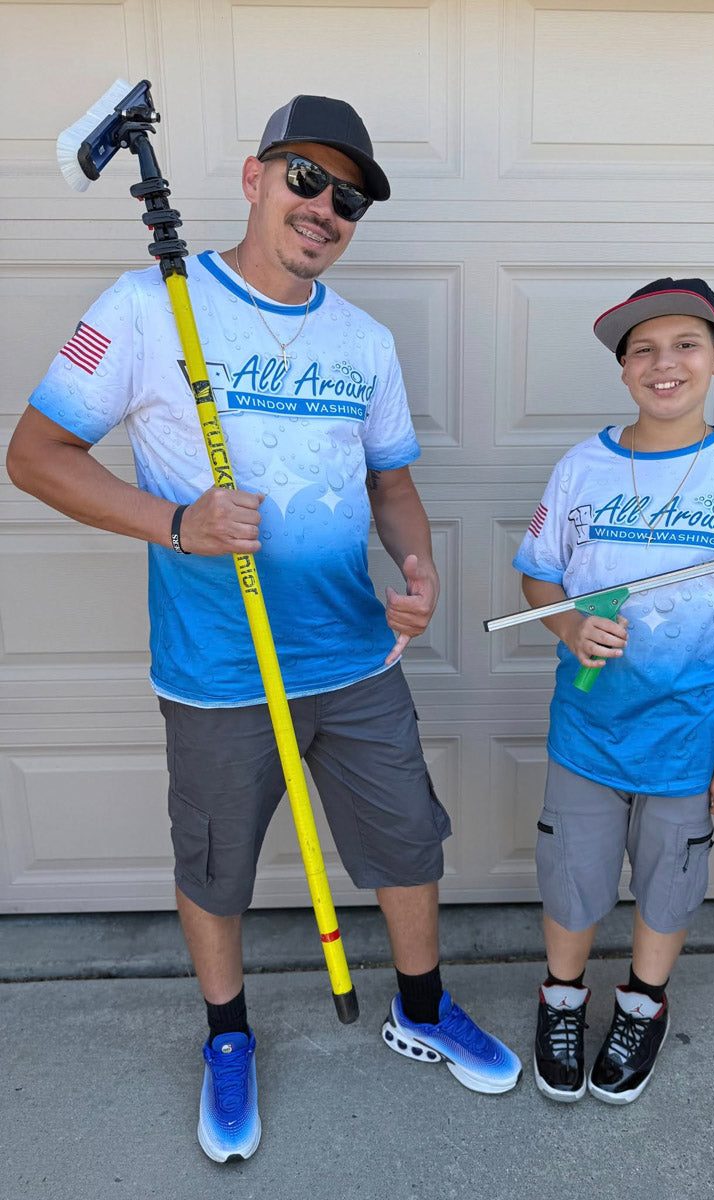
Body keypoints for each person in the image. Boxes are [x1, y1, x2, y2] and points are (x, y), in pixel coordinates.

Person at [7, 94, 520, 1163]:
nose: (325, 207)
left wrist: (417, 568)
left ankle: (420, 1007)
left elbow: (393, 486)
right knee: (216, 866)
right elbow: (36, 454)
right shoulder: (151, 308)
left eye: (348, 197)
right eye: (305, 178)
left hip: (351, 656)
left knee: (407, 843)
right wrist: (178, 523)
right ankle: (227, 1037)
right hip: (219, 667)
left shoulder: (364, 341)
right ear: (253, 176)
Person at [513, 278, 714, 1105]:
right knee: (573, 871)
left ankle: (643, 1002)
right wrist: (570, 627)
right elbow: (539, 579)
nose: (663, 362)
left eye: (684, 344)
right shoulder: (582, 467)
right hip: (587, 725)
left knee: (669, 878)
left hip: (691, 734)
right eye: (641, 349)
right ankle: (563, 998)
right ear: (622, 371)